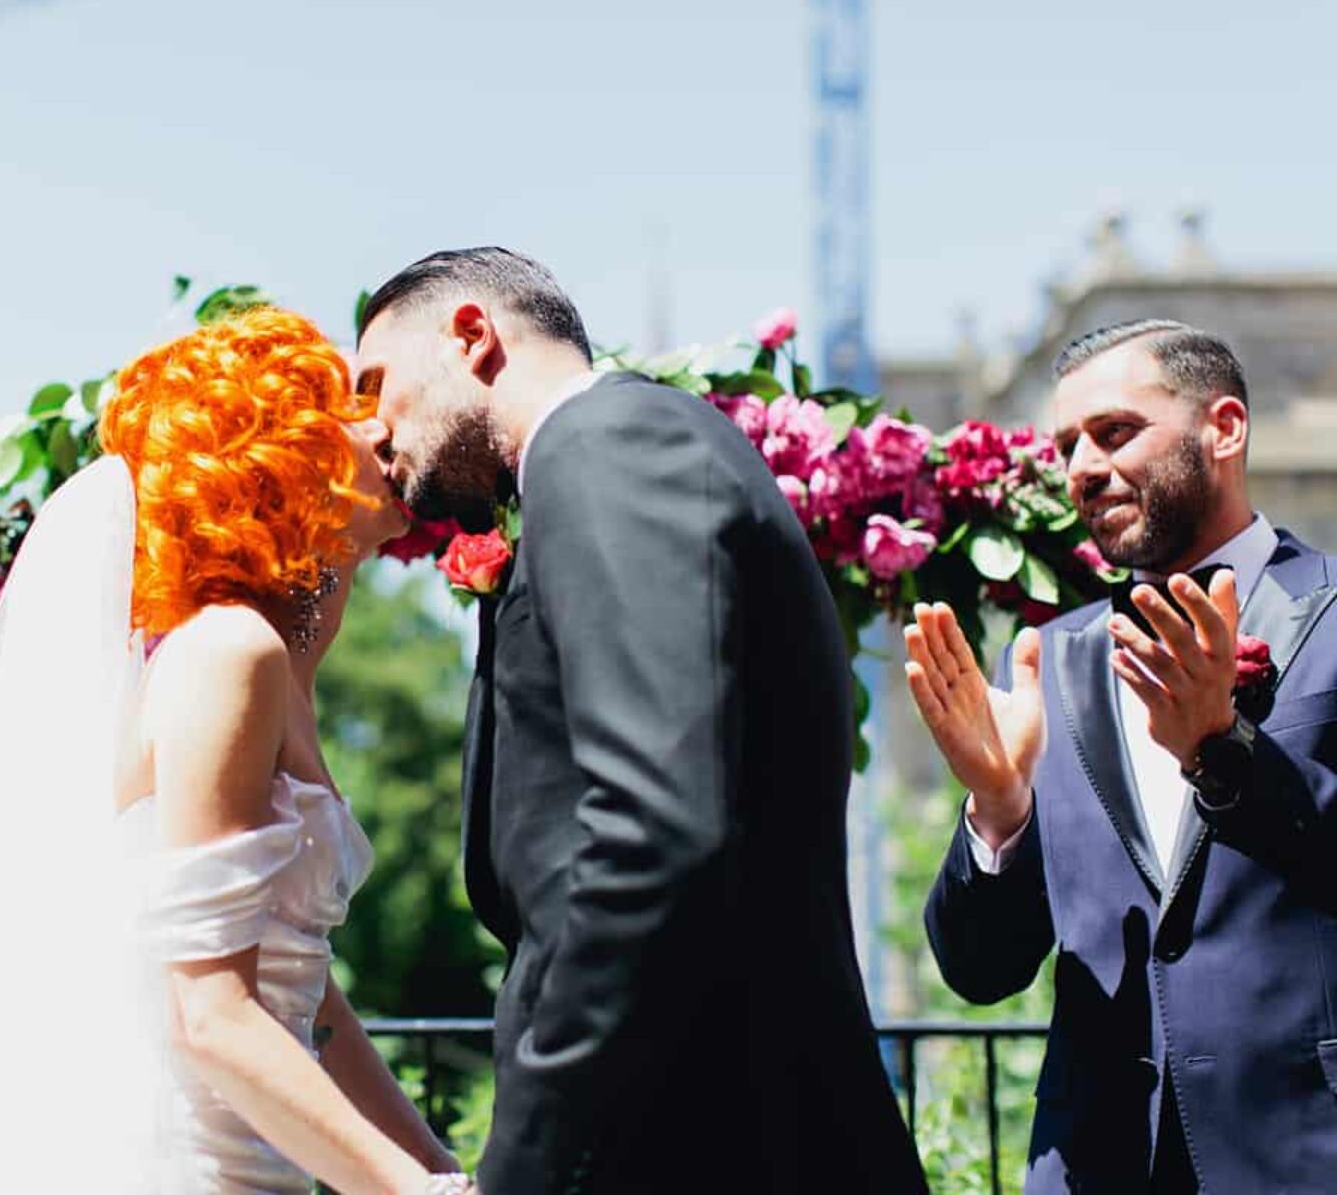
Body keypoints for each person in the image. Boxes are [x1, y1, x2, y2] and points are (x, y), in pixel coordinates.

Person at [0, 308, 471, 1194]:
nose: (384, 427)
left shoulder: (280, 667)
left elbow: (312, 1008)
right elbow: (208, 1016)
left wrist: (447, 1167)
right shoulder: (230, 653)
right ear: (275, 450)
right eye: (347, 411)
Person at [355, 247, 926, 1194]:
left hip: (699, 1141)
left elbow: (656, 829)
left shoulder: (607, 444)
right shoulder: (615, 455)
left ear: (470, 336)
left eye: (376, 385)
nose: (372, 430)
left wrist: (531, 1162)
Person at [906, 320, 1337, 1192]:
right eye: (1068, 445)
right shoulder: (1048, 666)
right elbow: (982, 973)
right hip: (1096, 1166)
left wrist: (1223, 754)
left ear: (1223, 429)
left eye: (1115, 432)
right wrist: (996, 810)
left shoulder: (1331, 619)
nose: (1082, 468)